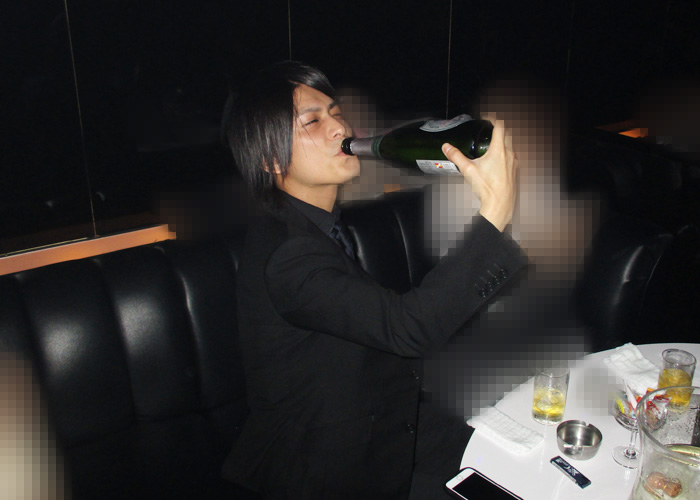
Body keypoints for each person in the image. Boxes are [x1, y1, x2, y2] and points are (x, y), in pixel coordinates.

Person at [220, 61, 526, 499]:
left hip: (383, 426)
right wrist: (494, 212)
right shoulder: (287, 254)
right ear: (270, 159)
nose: (338, 127)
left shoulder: (310, 226)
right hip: (324, 471)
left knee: (516, 463)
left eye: (335, 112)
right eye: (312, 121)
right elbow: (408, 327)